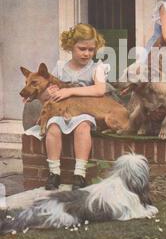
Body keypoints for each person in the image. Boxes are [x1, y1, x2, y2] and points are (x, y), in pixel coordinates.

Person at [29, 23, 109, 190]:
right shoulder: (60, 67)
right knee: (53, 127)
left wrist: (69, 91)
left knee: (83, 126)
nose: (87, 53)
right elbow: (45, 94)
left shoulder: (96, 67)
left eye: (91, 49)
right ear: (70, 47)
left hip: (84, 111)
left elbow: (100, 89)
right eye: (82, 49)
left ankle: (79, 174)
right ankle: (54, 173)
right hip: (61, 111)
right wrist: (50, 91)